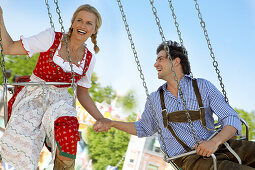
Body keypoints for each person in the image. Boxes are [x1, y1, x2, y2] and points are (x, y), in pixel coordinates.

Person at [94, 41, 255, 170]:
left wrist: (214, 143)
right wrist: (112, 123)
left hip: (222, 146)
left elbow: (231, 118)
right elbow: (143, 128)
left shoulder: (202, 86)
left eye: (160, 59)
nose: (155, 64)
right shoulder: (155, 99)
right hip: (190, 159)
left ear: (176, 61)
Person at [0, 4, 105, 170]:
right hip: (34, 95)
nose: (82, 26)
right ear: (72, 23)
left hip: (60, 101)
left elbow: (83, 94)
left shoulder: (89, 59)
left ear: (94, 30)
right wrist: (0, 16)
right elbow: (9, 48)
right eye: (79, 20)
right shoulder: (51, 38)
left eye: (88, 23)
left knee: (69, 136)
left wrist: (101, 118)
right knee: (23, 146)